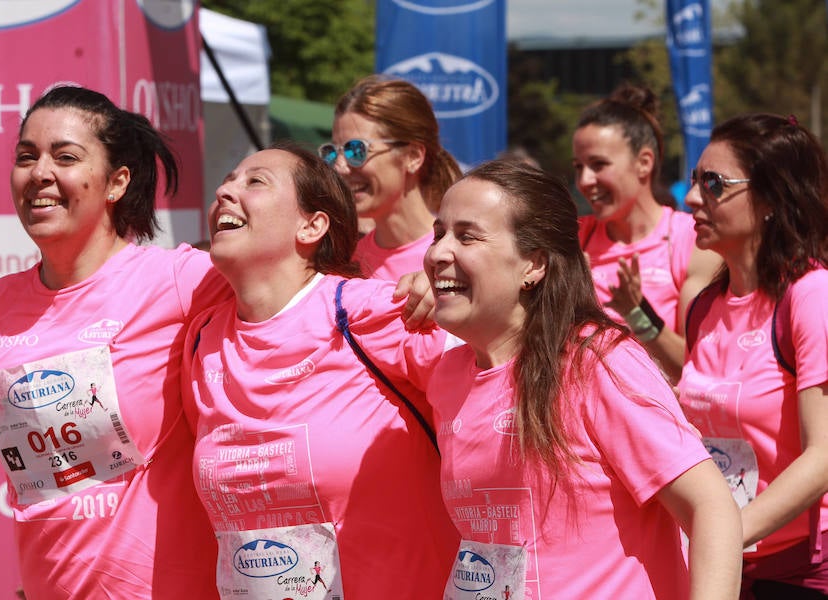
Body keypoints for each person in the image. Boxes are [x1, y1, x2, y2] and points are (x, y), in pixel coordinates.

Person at [0, 86, 226, 598]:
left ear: (116, 183)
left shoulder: (180, 281)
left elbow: (299, 284)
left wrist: (417, 273)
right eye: (26, 156)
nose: (39, 172)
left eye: (65, 157)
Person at [424, 159, 742, 599]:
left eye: (467, 236)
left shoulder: (595, 362)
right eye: (439, 232)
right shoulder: (448, 377)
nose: (438, 252)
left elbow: (710, 507)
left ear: (533, 265)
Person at [182, 142, 459, 599]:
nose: (225, 192)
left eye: (254, 181)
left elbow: (503, 395)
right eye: (228, 181)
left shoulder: (378, 312)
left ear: (311, 225)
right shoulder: (202, 339)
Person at [677, 113, 828, 598]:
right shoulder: (704, 306)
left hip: (803, 573)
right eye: (695, 180)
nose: (692, 198)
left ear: (768, 199)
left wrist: (724, 535)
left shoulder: (812, 297)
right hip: (728, 564)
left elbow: (824, 456)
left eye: (714, 184)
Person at [572, 82, 722, 382]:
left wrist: (638, 314)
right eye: (578, 167)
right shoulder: (573, 241)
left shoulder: (692, 241)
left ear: (643, 163)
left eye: (598, 165)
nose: (585, 180)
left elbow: (696, 372)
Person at [321, 74, 462, 280]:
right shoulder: (345, 266)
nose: (340, 167)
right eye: (332, 152)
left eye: (356, 150)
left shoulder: (455, 258)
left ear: (413, 156)